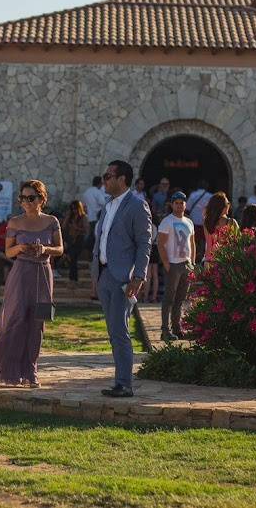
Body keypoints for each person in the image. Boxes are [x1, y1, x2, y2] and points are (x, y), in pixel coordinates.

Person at [0, 180, 63, 387]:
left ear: (41, 199)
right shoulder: (15, 222)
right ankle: (9, 369)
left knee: (38, 323)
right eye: (23, 198)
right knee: (15, 320)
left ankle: (31, 370)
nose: (26, 202)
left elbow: (60, 248)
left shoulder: (52, 221)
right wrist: (21, 248)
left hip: (43, 274)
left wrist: (45, 250)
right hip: (21, 273)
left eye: (31, 198)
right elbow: (8, 251)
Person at [91, 160, 153, 398]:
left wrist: (139, 276)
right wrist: (95, 272)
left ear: (122, 179)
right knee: (113, 330)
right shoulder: (107, 206)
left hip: (124, 278)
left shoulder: (137, 205)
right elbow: (101, 240)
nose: (104, 180)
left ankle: (124, 384)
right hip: (106, 274)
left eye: (108, 176)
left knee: (119, 331)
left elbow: (145, 243)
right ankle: (120, 381)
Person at [158, 192, 195, 341]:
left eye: (182, 203)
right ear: (172, 204)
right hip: (173, 264)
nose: (180, 206)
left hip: (185, 263)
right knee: (169, 299)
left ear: (185, 205)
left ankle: (176, 328)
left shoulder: (189, 222)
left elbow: (192, 243)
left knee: (180, 299)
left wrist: (192, 262)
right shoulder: (167, 222)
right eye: (177, 203)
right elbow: (160, 244)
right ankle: (165, 330)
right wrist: (166, 263)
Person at [202, 192, 237, 269]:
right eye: (228, 203)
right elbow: (237, 243)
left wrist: (207, 262)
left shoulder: (207, 221)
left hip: (211, 261)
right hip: (228, 261)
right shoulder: (231, 222)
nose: (229, 205)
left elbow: (209, 245)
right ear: (222, 207)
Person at [61, 200, 89, 282]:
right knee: (72, 259)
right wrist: (68, 216)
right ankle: (73, 278)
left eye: (75, 209)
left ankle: (73, 278)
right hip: (71, 240)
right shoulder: (71, 217)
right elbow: (64, 227)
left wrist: (76, 228)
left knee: (73, 258)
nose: (74, 211)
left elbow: (86, 229)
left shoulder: (83, 217)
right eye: (72, 209)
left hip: (79, 240)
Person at [186, 179, 212, 264]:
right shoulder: (210, 196)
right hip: (205, 224)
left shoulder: (193, 195)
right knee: (204, 244)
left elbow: (187, 208)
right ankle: (202, 260)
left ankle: (193, 260)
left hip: (193, 224)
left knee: (193, 243)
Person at [81, 176, 107, 246]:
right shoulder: (97, 192)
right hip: (96, 217)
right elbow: (103, 203)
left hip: (88, 217)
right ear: (99, 184)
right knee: (95, 236)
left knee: (89, 235)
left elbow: (84, 206)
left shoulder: (86, 192)